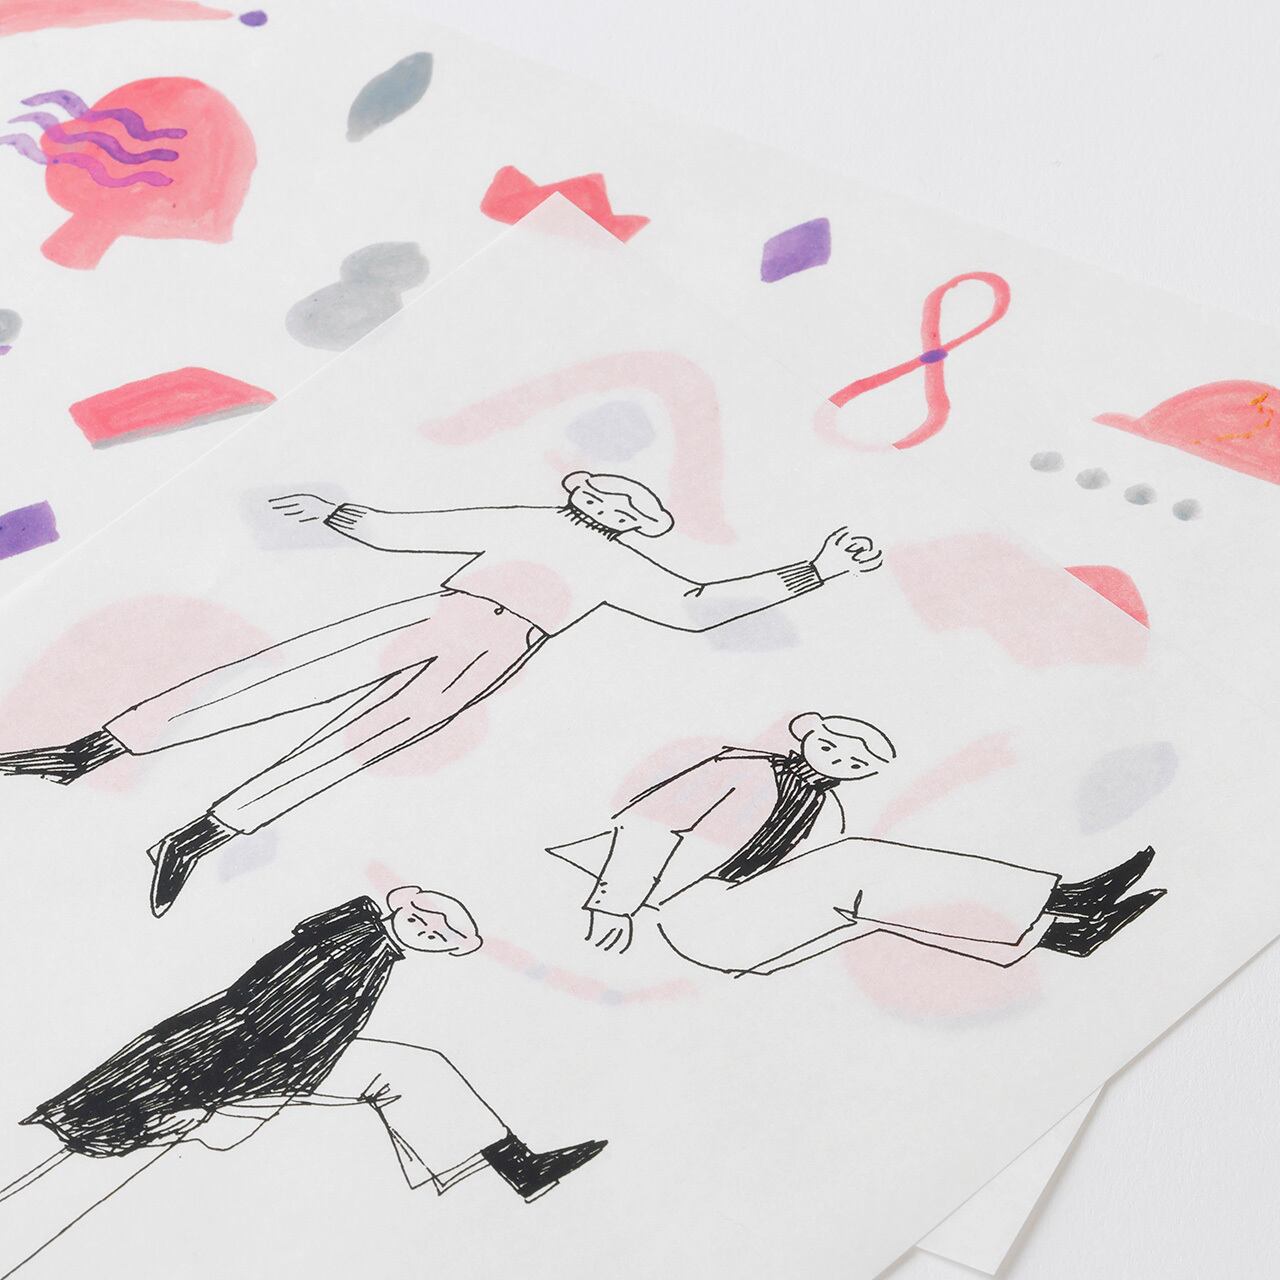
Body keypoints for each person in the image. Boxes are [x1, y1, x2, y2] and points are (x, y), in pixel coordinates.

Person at [0, 471, 882, 916]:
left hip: (490, 655)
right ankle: (87, 752)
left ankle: (197, 835)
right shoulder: (528, 520)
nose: (613, 511)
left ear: (634, 526)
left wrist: (814, 571)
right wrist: (340, 516)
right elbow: (419, 531)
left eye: (629, 510)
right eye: (607, 497)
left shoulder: (620, 567)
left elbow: (695, 606)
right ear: (584, 496)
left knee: (353, 747)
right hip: (434, 614)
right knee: (266, 681)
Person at [11, 887, 606, 1227]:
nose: (424, 932)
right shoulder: (353, 942)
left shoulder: (368, 944)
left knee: (417, 1068)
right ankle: (512, 1170)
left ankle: (512, 1169)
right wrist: (259, 1083)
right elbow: (276, 1011)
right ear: (400, 911)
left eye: (436, 936)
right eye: (420, 921)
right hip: (256, 1057)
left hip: (282, 1053)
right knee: (412, 1071)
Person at [548, 712, 1166, 974]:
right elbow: (648, 827)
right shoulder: (738, 768)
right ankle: (1066, 899)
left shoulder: (830, 810)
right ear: (807, 737)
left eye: (856, 762)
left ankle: (1057, 933)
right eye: (832, 748)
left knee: (875, 898)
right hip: (690, 913)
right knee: (860, 863)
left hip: (752, 919)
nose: (840, 762)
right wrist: (614, 903)